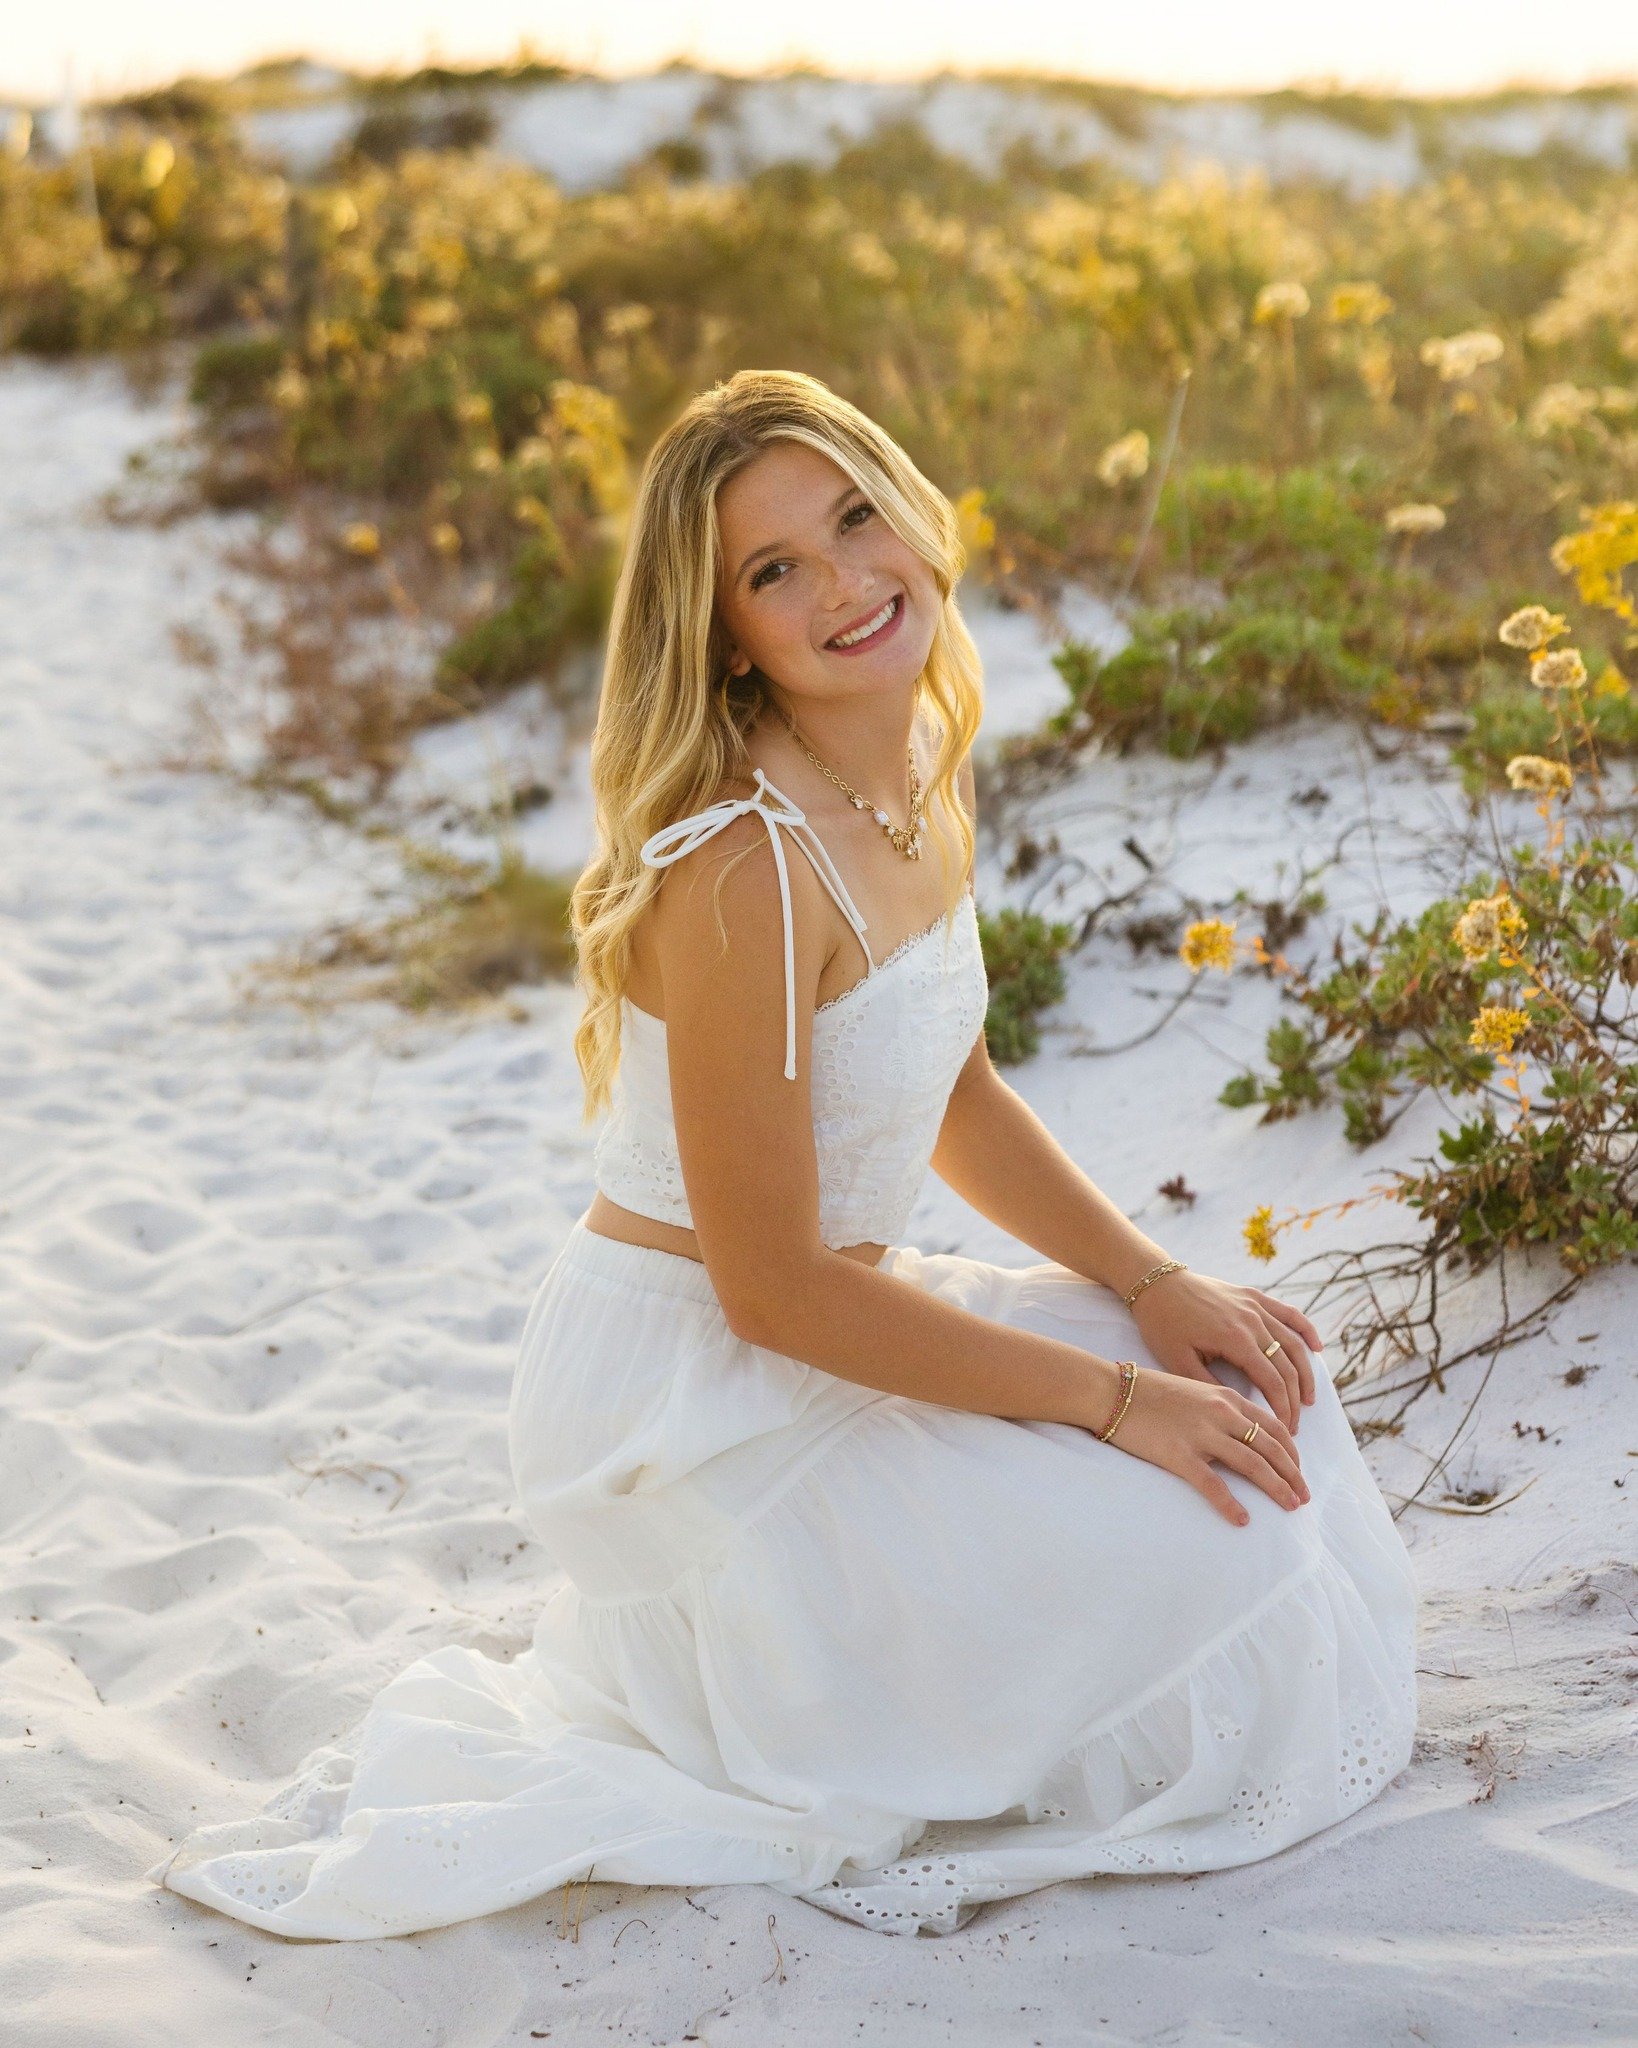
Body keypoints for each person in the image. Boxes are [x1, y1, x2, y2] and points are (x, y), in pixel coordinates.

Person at [152, 368, 1418, 1940]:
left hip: (844, 1316)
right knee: (1210, 1556)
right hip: (697, 1399)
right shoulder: (740, 866)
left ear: (906, 508)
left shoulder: (913, 767)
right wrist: (1108, 1399)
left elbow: (951, 1090)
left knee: (1248, 1408)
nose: (842, 584)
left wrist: (1149, 1286)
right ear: (725, 632)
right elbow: (769, 1292)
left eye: (852, 518)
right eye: (774, 572)